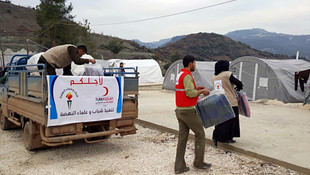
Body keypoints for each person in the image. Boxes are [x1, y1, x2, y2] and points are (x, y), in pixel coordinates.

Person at [174, 55, 211, 174]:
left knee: (182, 138)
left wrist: (197, 88)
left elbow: (185, 90)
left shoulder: (181, 74)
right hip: (188, 111)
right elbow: (190, 93)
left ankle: (179, 167)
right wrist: (203, 91)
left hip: (179, 110)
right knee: (200, 134)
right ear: (190, 64)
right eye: (195, 63)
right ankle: (199, 162)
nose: (195, 65)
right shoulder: (187, 76)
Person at [211, 60, 243, 146]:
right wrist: (239, 88)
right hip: (230, 101)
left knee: (221, 120)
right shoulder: (227, 74)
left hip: (218, 101)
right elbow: (238, 83)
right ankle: (227, 138)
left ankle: (216, 136)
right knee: (231, 121)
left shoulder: (214, 77)